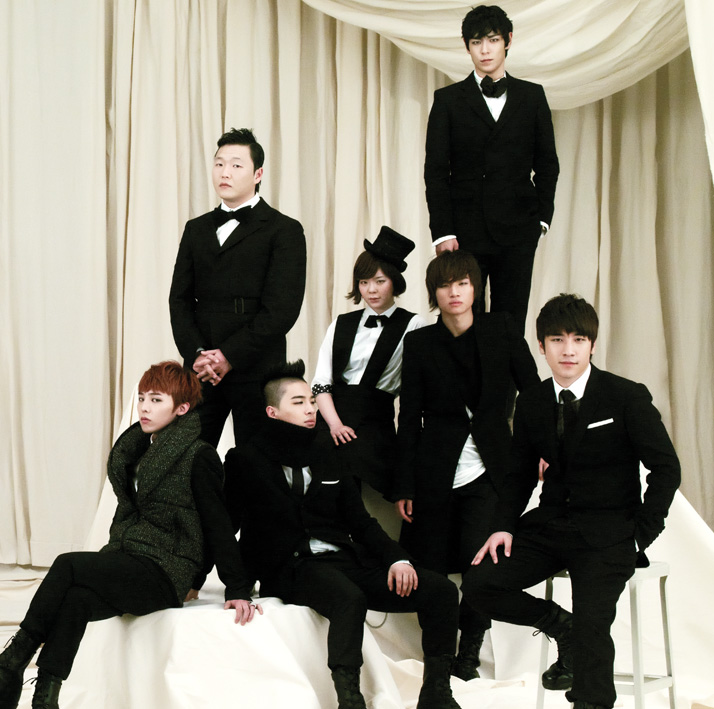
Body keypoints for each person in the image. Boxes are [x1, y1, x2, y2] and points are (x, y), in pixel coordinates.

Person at [0, 362, 260, 709]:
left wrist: (236, 587)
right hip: (128, 559)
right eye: (141, 398)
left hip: (165, 570)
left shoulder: (199, 456)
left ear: (182, 408)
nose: (144, 407)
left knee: (67, 564)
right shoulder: (137, 451)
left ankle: (12, 661)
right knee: (76, 599)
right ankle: (46, 697)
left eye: (156, 399)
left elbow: (217, 523)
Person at [463, 294, 681, 709]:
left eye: (578, 339)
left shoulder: (625, 396)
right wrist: (502, 526)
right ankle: (561, 627)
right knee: (479, 583)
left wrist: (641, 536)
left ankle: (591, 702)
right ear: (541, 346)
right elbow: (518, 475)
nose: (568, 350)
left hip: (608, 534)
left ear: (592, 345)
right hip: (550, 526)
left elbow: (666, 469)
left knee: (593, 623)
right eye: (557, 340)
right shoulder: (532, 401)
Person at [227, 361, 462, 709]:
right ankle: (350, 699)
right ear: (272, 411)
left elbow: (359, 520)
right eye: (298, 402)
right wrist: (233, 586)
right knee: (348, 598)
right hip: (291, 569)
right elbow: (227, 525)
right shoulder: (245, 460)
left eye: (311, 401)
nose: (310, 409)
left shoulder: (329, 452)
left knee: (440, 591)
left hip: (344, 560)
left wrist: (397, 558)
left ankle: (436, 693)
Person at [393, 250, 540, 681]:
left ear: (475, 288)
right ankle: (438, 656)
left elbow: (533, 394)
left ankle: (469, 657)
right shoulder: (419, 343)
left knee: (482, 566)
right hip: (434, 468)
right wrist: (404, 485)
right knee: (431, 567)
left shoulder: (502, 328)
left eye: (462, 283)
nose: (454, 293)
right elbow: (408, 418)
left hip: (491, 467)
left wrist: (545, 448)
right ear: (433, 293)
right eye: (444, 285)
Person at [169, 127, 307, 454]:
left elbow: (282, 309)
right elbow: (179, 299)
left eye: (235, 165)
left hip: (257, 366)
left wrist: (229, 356)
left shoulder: (284, 230)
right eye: (219, 164)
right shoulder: (196, 228)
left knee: (255, 462)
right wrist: (197, 354)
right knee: (186, 459)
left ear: (258, 174)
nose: (225, 172)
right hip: (202, 369)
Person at [424, 5, 559, 334]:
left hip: (518, 231)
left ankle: (505, 374)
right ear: (466, 46)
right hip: (464, 232)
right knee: (463, 324)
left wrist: (541, 220)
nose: (485, 50)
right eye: (476, 42)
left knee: (510, 325)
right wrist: (443, 232)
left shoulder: (532, 97)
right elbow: (436, 172)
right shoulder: (448, 100)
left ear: (508, 40)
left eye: (493, 40)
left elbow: (547, 164)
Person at [311, 226, 427, 499]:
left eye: (379, 281)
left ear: (394, 281)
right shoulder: (341, 323)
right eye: (363, 282)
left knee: (364, 472)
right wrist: (335, 425)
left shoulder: (414, 324)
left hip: (375, 421)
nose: (371, 290)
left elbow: (416, 385)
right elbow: (321, 382)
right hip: (331, 419)